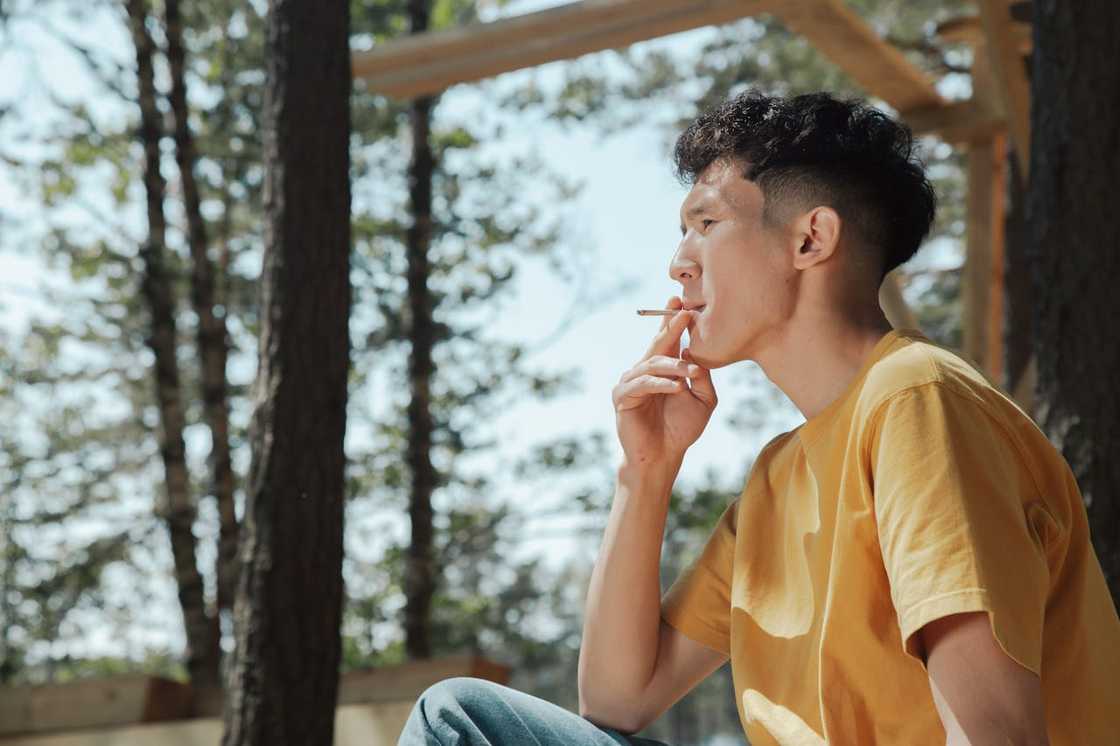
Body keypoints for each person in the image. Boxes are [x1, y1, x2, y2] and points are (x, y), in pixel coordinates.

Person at [398, 91, 1120, 746]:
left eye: (706, 223)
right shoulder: (779, 477)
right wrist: (645, 474)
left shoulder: (916, 398)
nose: (679, 264)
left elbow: (997, 737)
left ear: (811, 240)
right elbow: (616, 700)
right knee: (463, 720)